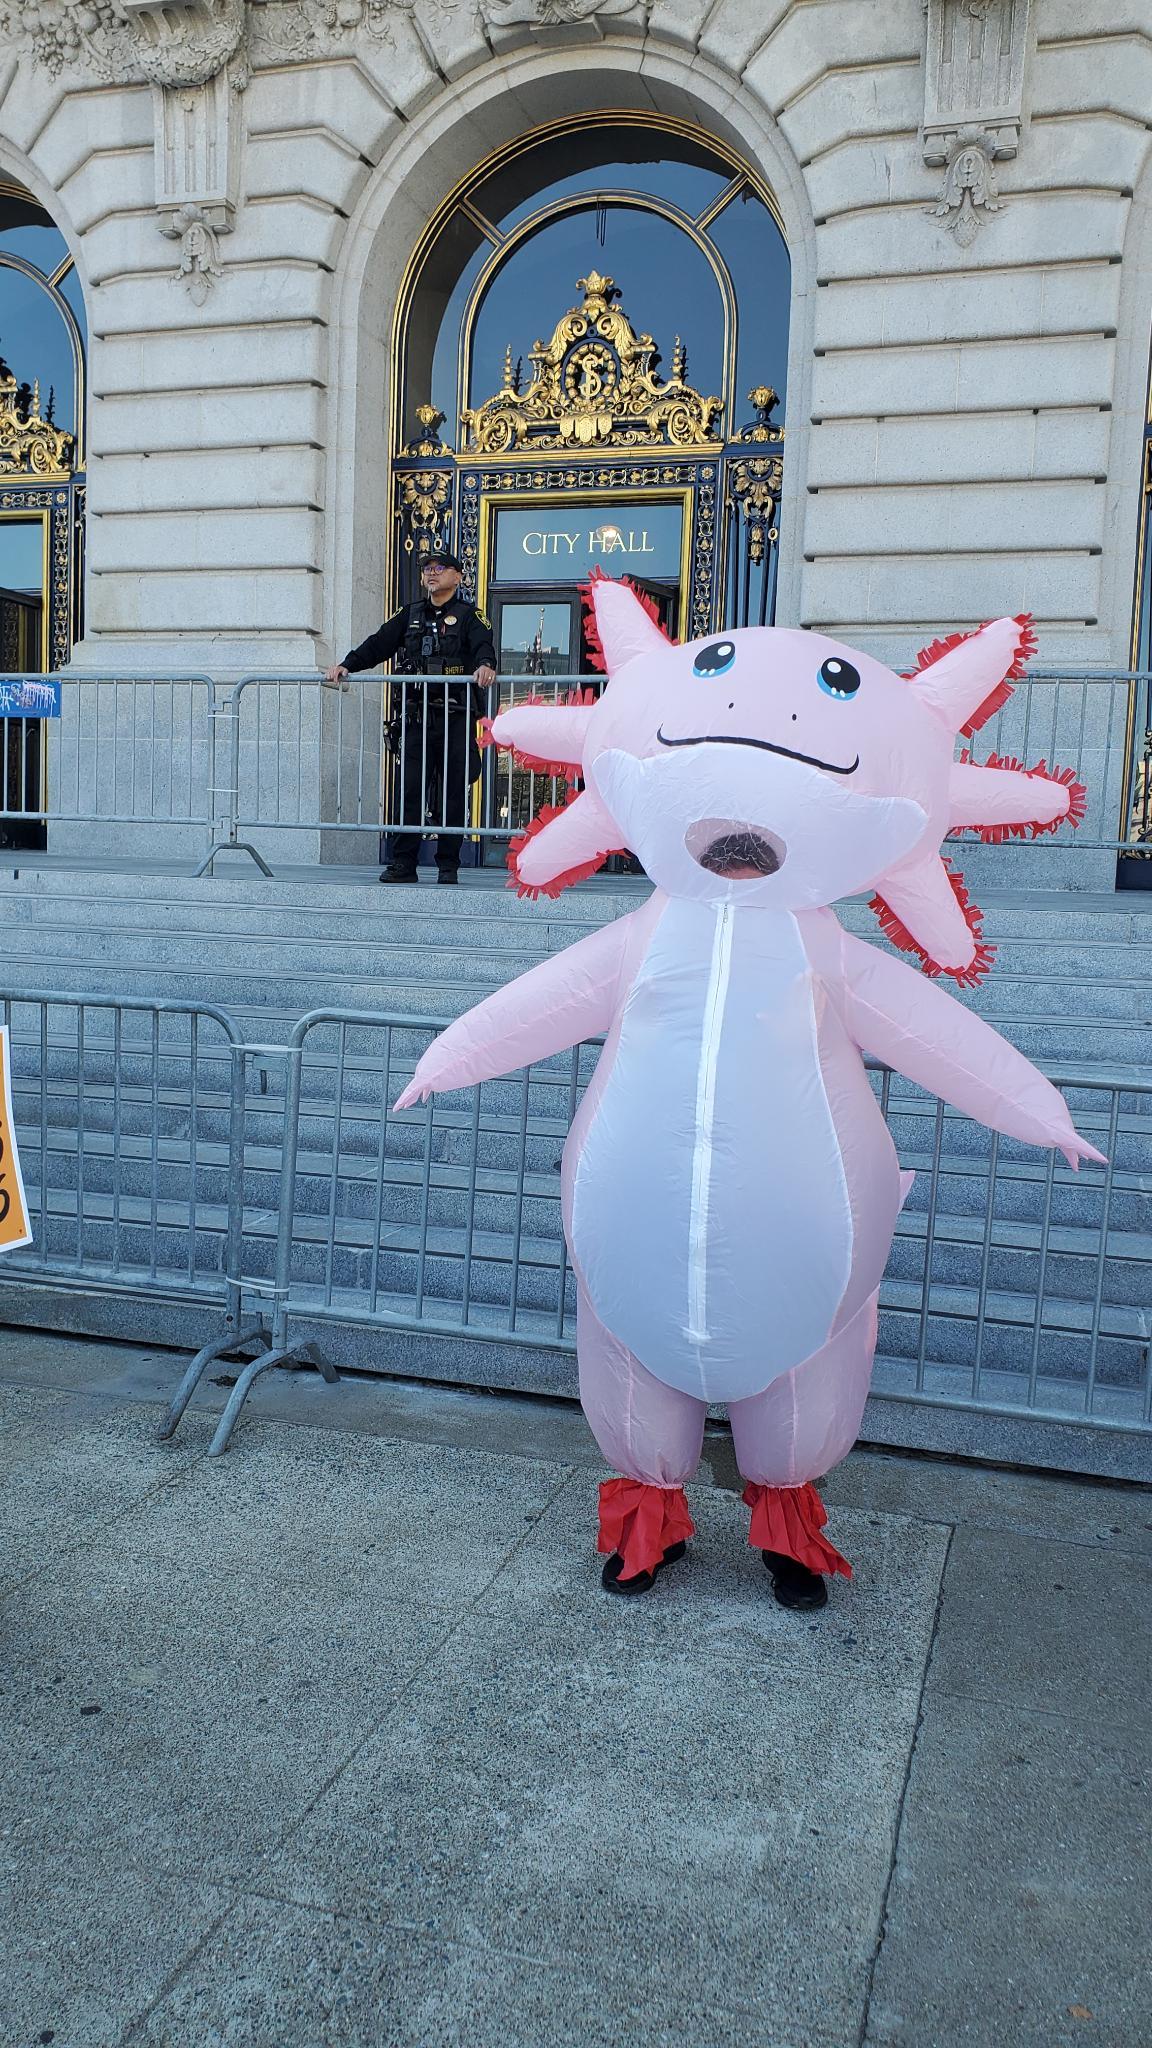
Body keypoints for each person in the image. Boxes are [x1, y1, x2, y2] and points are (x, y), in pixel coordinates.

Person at [325, 553, 497, 884]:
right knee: (409, 790)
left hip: (455, 716)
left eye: (440, 568)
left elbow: (483, 647)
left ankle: (448, 866)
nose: (432, 573)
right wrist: (348, 664)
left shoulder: (471, 616)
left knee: (452, 792)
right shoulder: (409, 614)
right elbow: (378, 644)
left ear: (457, 577)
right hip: (417, 716)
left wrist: (485, 665)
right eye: (427, 569)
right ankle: (403, 863)